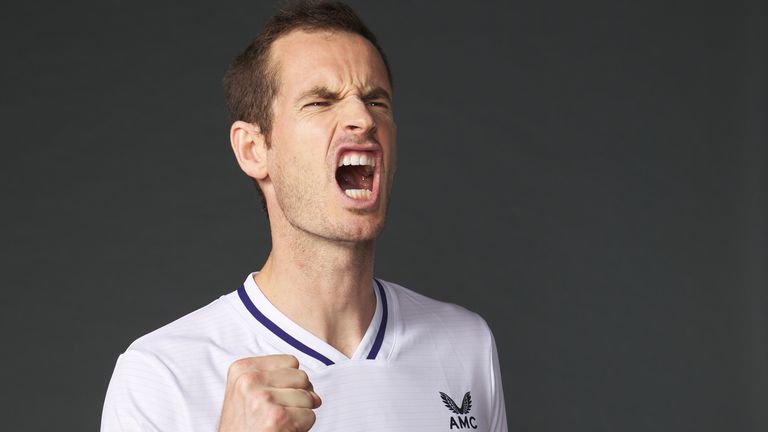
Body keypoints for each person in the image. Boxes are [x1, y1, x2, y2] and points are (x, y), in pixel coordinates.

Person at [101, 1, 507, 431]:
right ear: (254, 150)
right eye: (320, 102)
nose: (362, 118)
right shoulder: (159, 375)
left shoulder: (466, 345)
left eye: (376, 101)